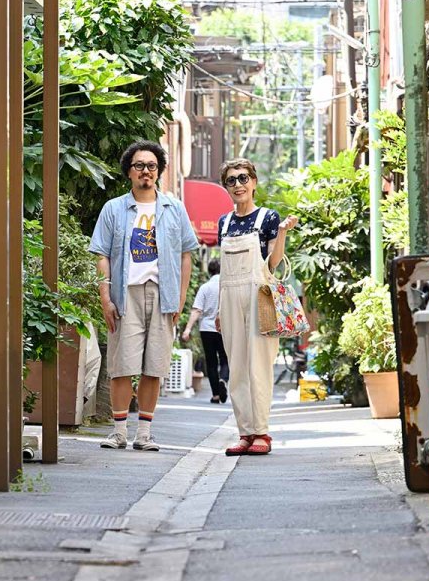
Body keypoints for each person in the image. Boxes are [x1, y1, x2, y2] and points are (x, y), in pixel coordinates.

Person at [90, 140, 200, 452]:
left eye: (151, 166)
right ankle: (119, 432)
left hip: (162, 295)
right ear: (129, 172)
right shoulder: (114, 209)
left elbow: (185, 257)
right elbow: (101, 255)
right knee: (122, 365)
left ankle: (145, 434)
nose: (146, 172)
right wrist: (105, 298)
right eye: (139, 166)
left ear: (158, 172)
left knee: (155, 365)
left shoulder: (173, 208)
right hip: (125, 294)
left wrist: (179, 301)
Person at [216, 158, 298, 456]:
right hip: (228, 298)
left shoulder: (268, 218)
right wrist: (217, 310)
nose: (238, 185)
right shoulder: (223, 222)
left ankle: (262, 431)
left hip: (258, 296)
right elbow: (223, 272)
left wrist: (284, 232)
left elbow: (273, 264)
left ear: (254, 181)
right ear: (226, 187)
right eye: (231, 181)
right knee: (236, 368)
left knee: (259, 366)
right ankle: (245, 432)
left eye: (243, 178)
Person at [182, 258, 229, 404]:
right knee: (226, 358)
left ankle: (215, 395)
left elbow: (197, 310)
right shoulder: (228, 287)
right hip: (225, 328)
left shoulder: (205, 287)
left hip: (207, 329)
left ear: (210, 271)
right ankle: (223, 379)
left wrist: (188, 329)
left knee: (211, 362)